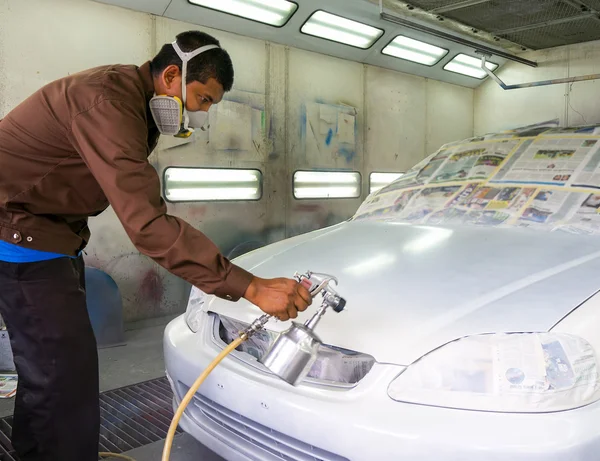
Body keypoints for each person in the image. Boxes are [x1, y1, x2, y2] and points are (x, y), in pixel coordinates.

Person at [0, 30, 312, 461]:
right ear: (171, 76)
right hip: (18, 235)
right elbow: (146, 224)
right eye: (203, 99)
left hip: (49, 234)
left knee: (52, 368)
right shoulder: (108, 104)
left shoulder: (129, 102)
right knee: (60, 372)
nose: (202, 114)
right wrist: (251, 287)